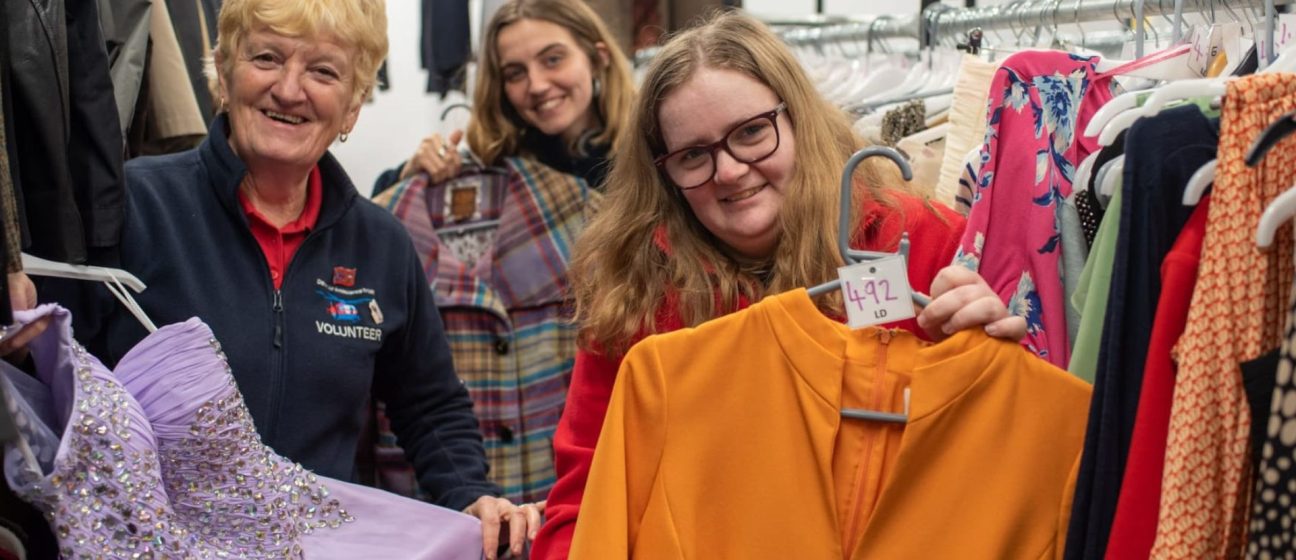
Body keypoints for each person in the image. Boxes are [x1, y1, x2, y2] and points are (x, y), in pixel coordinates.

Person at [35, 1, 537, 558]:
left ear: (352, 106)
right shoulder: (129, 209)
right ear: (224, 74)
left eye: (324, 71)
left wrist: (470, 492)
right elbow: (52, 391)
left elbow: (429, 403)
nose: (290, 89)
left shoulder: (382, 244)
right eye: (267, 58)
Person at [530, 10, 1028, 559]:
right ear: (663, 175)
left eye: (750, 133)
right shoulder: (635, 296)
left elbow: (1005, 464)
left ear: (798, 121)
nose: (730, 171)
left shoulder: (917, 245)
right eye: (693, 155)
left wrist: (998, 351)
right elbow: (581, 503)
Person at [371, 0, 634, 193]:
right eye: (515, 73)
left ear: (598, 58)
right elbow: (377, 206)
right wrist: (412, 173)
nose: (537, 85)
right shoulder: (503, 164)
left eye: (553, 59)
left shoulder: (649, 151)